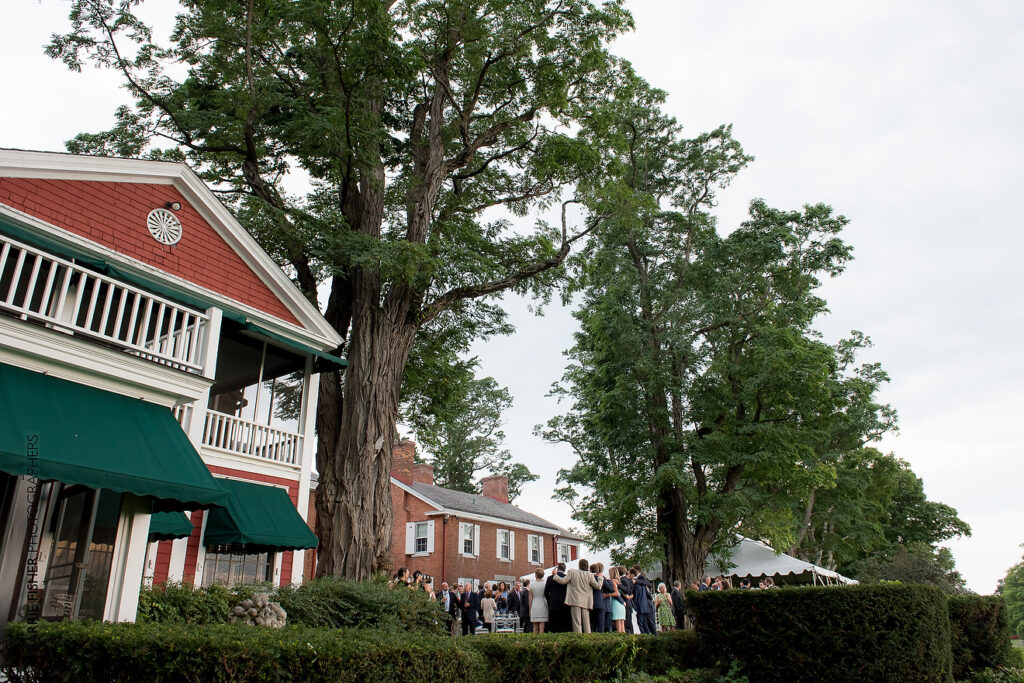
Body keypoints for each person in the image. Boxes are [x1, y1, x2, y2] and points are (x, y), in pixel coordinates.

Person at [552, 558, 604, 633]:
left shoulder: (572, 572)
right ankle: (588, 638)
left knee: (576, 622)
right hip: (586, 601)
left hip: (574, 600)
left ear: (579, 565)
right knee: (586, 623)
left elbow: (563, 581)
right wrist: (600, 578)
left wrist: (555, 575)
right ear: (587, 566)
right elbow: (598, 586)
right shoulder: (589, 575)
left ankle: (578, 638)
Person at [631, 566, 656, 635]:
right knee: (645, 622)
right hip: (644, 603)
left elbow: (646, 583)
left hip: (644, 603)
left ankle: (651, 634)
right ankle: (650, 634)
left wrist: (636, 581)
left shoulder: (640, 578)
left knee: (646, 621)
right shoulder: (639, 581)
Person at [545, 563, 570, 633]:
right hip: (565, 604)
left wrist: (549, 601)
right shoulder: (567, 578)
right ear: (564, 569)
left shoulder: (550, 578)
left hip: (554, 604)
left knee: (554, 627)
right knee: (564, 627)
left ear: (557, 568)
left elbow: (546, 592)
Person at [589, 563, 608, 633]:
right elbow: (609, 588)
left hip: (591, 603)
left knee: (592, 624)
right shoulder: (602, 578)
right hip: (600, 603)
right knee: (601, 625)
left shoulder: (589, 578)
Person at [529, 568, 549, 633]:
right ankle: (541, 640)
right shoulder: (545, 584)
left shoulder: (532, 584)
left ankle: (535, 640)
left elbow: (530, 598)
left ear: (536, 575)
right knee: (542, 624)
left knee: (535, 626)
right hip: (543, 603)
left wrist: (530, 609)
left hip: (534, 604)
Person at [608, 566, 626, 633]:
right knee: (622, 626)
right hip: (621, 604)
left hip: (616, 603)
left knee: (618, 627)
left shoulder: (613, 581)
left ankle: (620, 641)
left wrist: (608, 595)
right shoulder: (619, 581)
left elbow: (616, 593)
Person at [618, 565, 635, 634]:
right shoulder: (628, 580)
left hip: (626, 602)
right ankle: (631, 633)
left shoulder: (623, 580)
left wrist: (619, 585)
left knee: (626, 621)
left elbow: (627, 590)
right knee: (628, 620)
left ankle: (628, 633)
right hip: (629, 601)